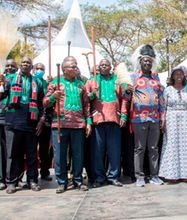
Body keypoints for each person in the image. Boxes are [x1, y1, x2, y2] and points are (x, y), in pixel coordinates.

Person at [43, 58, 91, 193]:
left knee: (78, 154)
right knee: (59, 155)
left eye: (76, 66)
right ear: (65, 69)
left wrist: (88, 122)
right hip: (60, 124)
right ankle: (62, 182)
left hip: (78, 124)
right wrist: (53, 97)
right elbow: (45, 102)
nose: (76, 69)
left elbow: (86, 105)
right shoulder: (55, 83)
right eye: (73, 67)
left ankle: (78, 180)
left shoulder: (81, 85)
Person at [0, 57, 45, 193]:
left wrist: (41, 120)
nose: (25, 64)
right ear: (20, 65)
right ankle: (12, 182)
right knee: (13, 154)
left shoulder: (37, 81)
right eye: (23, 63)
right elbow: (1, 96)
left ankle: (32, 180)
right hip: (12, 122)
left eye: (28, 63)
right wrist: (1, 85)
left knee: (32, 154)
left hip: (31, 122)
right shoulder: (10, 79)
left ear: (31, 67)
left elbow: (42, 103)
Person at [85, 59, 128, 187]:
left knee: (114, 151)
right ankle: (99, 178)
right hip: (98, 119)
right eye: (102, 65)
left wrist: (124, 115)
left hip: (114, 118)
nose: (104, 66)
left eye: (106, 65)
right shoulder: (92, 80)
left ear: (110, 67)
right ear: (98, 67)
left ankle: (113, 177)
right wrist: (93, 94)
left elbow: (125, 98)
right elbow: (85, 99)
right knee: (97, 151)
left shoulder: (117, 80)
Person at [128, 44, 164, 187]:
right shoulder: (133, 78)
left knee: (153, 148)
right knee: (139, 148)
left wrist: (162, 117)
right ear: (140, 62)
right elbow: (126, 96)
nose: (147, 63)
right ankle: (139, 176)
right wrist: (127, 91)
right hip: (139, 118)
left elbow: (161, 99)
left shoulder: (156, 79)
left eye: (150, 61)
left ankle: (154, 175)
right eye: (145, 60)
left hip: (154, 118)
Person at [159, 66, 187, 181]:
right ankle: (171, 174)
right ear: (172, 76)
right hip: (171, 119)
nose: (178, 76)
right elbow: (163, 107)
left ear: (184, 76)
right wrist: (163, 120)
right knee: (172, 145)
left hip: (186, 119)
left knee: (186, 145)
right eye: (176, 74)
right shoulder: (167, 90)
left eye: (180, 74)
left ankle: (186, 174)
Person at [33, 63, 53, 181]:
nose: (39, 70)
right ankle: (32, 174)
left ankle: (45, 172)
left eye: (42, 69)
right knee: (31, 148)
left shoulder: (47, 83)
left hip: (45, 119)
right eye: (37, 68)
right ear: (33, 70)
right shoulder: (31, 81)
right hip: (31, 120)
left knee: (45, 148)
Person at [0, 59, 18, 190]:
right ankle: (2, 179)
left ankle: (11, 178)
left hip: (11, 119)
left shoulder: (16, 79)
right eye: (7, 66)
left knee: (11, 151)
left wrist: (4, 81)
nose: (9, 68)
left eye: (12, 66)